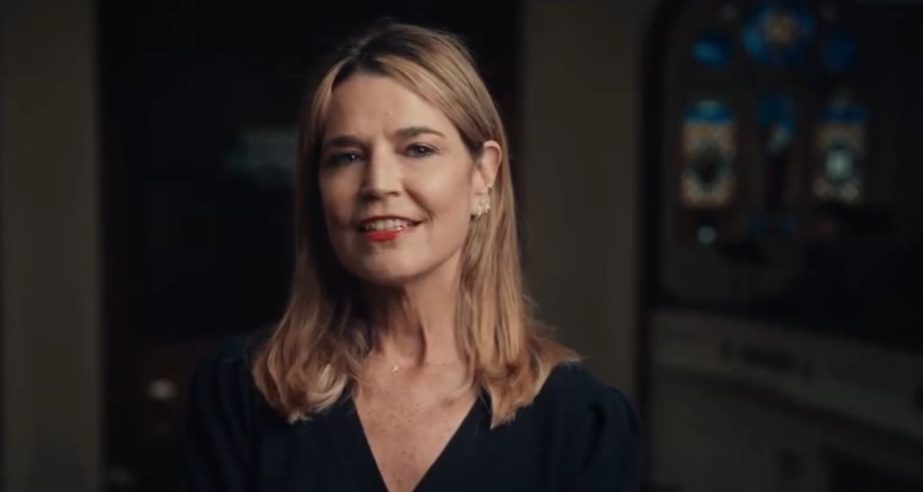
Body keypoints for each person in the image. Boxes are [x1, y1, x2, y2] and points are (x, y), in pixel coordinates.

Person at [182, 21, 642, 492]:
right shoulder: (240, 392)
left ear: (483, 174)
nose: (379, 184)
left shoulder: (582, 424)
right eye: (347, 157)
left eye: (418, 149)